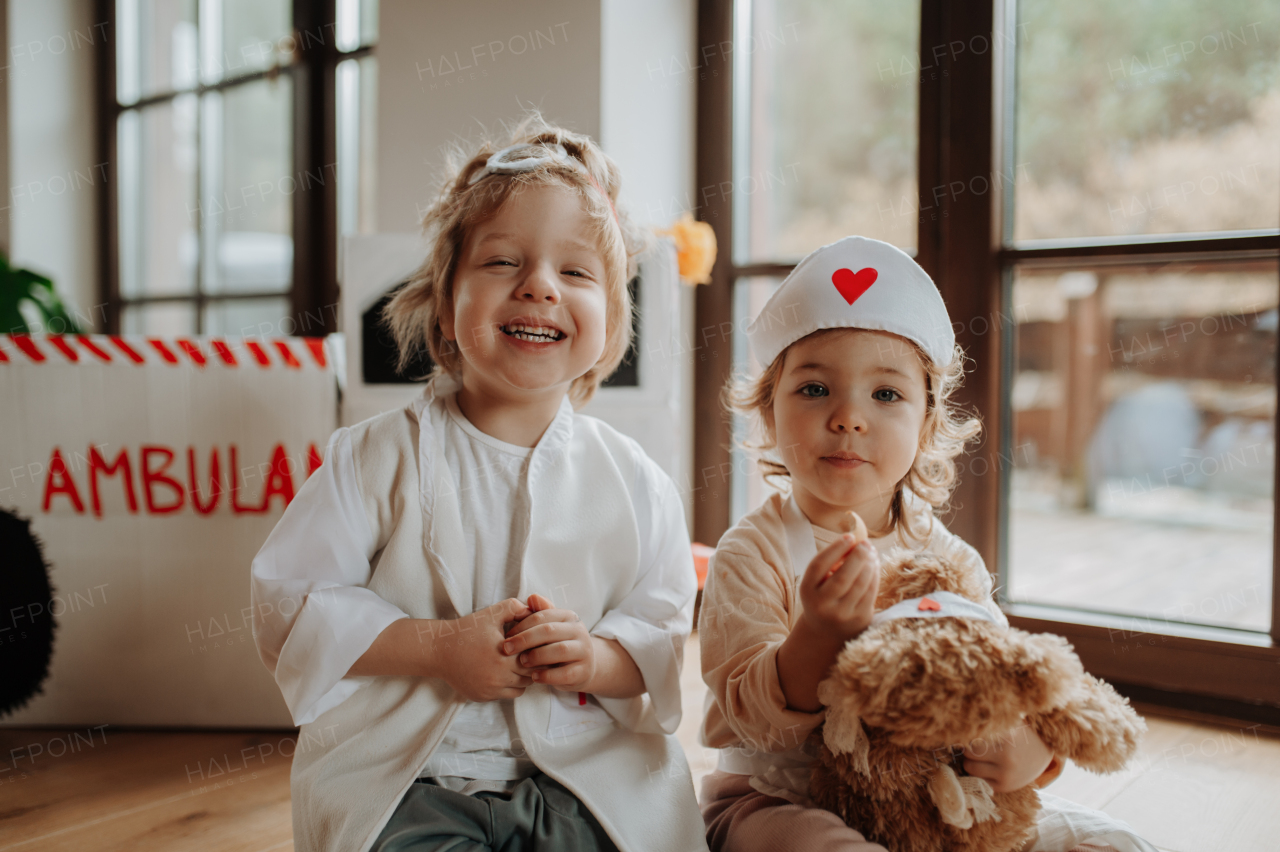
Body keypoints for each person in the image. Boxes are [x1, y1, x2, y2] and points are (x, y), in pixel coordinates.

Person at [250, 118, 708, 852]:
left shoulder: (636, 483)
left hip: (581, 777)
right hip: (412, 779)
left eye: (577, 272)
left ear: (611, 320)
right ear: (444, 297)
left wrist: (594, 658)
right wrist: (436, 647)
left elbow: (659, 633)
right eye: (502, 261)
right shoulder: (372, 458)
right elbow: (289, 603)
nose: (538, 287)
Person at [696, 236, 1157, 852]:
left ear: (926, 424)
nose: (849, 418)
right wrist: (819, 635)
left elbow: (1000, 678)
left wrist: (1029, 748)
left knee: (1110, 841)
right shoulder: (751, 551)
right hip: (779, 796)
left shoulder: (949, 559)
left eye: (885, 394)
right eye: (813, 389)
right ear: (769, 413)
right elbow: (749, 714)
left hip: (933, 799)